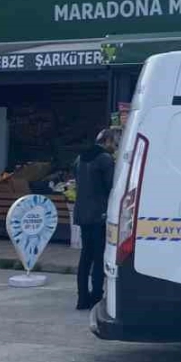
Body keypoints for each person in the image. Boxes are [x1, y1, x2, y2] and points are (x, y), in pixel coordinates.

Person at [73, 129, 116, 310]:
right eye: (114, 143)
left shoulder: (80, 158)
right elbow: (111, 186)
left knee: (85, 256)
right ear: (107, 141)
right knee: (98, 257)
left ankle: (82, 298)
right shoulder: (105, 159)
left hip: (82, 213)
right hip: (99, 214)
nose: (115, 147)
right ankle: (96, 295)